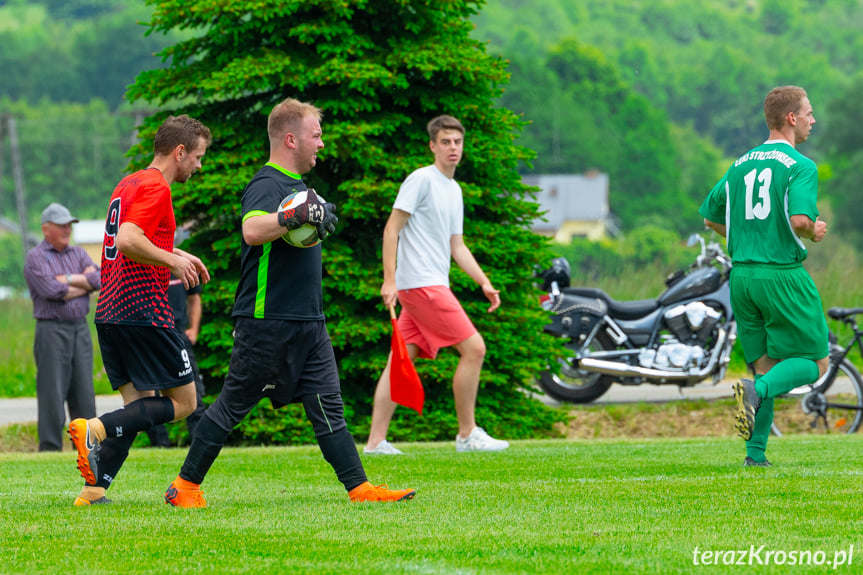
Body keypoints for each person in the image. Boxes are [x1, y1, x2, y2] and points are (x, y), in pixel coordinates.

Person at [164, 97, 415, 508]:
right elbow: (251, 230)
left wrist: (310, 219)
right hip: (266, 320)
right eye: (316, 135)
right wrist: (292, 219)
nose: (322, 143)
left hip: (308, 322)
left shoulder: (300, 189)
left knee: (328, 405)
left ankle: (360, 489)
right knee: (231, 407)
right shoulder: (267, 184)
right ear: (291, 138)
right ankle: (185, 487)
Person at [67, 114, 212, 506]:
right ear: (179, 152)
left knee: (139, 409)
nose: (199, 166)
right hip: (142, 311)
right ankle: (93, 429)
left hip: (110, 311)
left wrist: (177, 252)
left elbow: (130, 237)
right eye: (197, 157)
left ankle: (93, 490)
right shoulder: (156, 187)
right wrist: (174, 263)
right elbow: (131, 239)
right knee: (184, 403)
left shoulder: (128, 182)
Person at [699, 85, 829, 467]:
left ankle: (755, 456)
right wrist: (813, 230)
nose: (812, 120)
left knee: (768, 363)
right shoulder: (800, 165)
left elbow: (710, 217)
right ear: (791, 118)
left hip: (742, 278)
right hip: (782, 276)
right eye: (808, 113)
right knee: (816, 363)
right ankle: (755, 391)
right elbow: (800, 220)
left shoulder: (740, 164)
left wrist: (748, 235)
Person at [363, 115, 509, 455]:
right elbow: (391, 229)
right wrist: (390, 280)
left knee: (400, 361)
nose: (452, 148)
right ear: (432, 145)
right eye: (445, 142)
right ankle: (467, 434)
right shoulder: (421, 180)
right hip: (423, 287)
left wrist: (484, 283)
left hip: (427, 286)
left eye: (457, 142)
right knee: (475, 349)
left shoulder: (454, 190)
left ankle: (374, 443)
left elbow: (456, 246)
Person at [23, 203, 100, 452]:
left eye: (69, 225)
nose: (67, 229)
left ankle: (88, 449)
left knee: (84, 391)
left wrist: (67, 280)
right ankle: (50, 448)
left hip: (80, 328)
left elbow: (98, 279)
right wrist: (83, 283)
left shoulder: (78, 253)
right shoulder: (36, 256)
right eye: (61, 225)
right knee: (52, 393)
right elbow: (51, 290)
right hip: (51, 330)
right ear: (47, 229)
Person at [145, 267, 206, 447]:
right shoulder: (146, 263)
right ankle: (161, 445)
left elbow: (194, 298)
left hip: (178, 335)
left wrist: (194, 329)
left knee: (194, 390)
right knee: (148, 393)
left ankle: (199, 443)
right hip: (150, 335)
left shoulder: (183, 265)